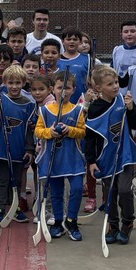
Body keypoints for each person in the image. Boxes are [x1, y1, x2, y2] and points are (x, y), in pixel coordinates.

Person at [85, 66, 136, 245]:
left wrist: (131, 109)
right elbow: (90, 137)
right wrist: (91, 161)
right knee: (110, 192)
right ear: (98, 88)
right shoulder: (95, 108)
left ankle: (128, 222)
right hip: (105, 157)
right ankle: (113, 225)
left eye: (116, 82)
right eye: (110, 84)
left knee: (124, 189)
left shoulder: (123, 101)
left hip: (125, 155)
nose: (115, 86)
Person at [34, 73, 87, 240]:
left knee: (77, 188)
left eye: (67, 88)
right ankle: (58, 221)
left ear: (73, 90)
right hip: (52, 157)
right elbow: (38, 131)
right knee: (56, 192)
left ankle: (71, 221)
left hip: (72, 157)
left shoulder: (77, 110)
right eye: (59, 88)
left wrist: (69, 130)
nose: (63, 91)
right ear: (53, 89)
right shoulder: (44, 110)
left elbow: (82, 132)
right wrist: (50, 132)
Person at [0, 64, 33, 225]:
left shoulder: (28, 104)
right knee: (1, 181)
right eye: (10, 83)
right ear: (4, 83)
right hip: (1, 149)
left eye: (17, 83)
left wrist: (30, 149)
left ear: (23, 83)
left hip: (19, 150)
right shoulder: (0, 100)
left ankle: (15, 209)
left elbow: (29, 130)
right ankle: (0, 210)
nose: (14, 86)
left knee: (15, 182)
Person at [58, 27, 89, 102]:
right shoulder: (57, 59)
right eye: (68, 39)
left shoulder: (87, 59)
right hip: (59, 102)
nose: (72, 42)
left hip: (80, 102)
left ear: (80, 41)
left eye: (75, 39)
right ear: (63, 41)